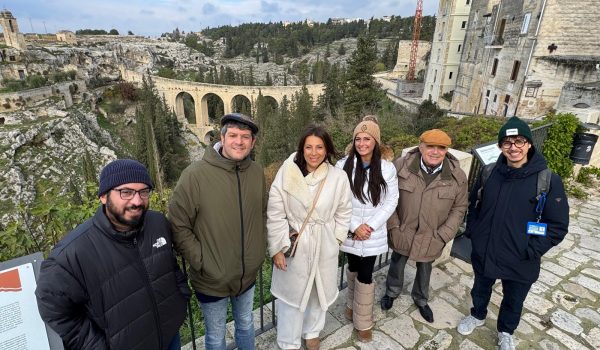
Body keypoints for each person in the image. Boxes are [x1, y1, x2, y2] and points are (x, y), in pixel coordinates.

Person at [35, 159, 190, 350]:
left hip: (169, 336)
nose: (137, 201)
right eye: (126, 192)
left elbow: (169, 265)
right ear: (103, 196)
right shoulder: (72, 253)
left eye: (143, 191)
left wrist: (180, 298)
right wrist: (97, 346)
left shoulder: (157, 223)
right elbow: (53, 307)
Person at [457, 117, 569, 350]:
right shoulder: (489, 172)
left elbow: (557, 225)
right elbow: (474, 205)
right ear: (500, 147)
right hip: (486, 249)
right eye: (507, 142)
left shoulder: (547, 180)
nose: (513, 147)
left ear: (529, 144)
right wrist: (474, 233)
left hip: (521, 257)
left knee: (514, 299)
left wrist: (531, 249)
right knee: (480, 288)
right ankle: (477, 315)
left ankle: (506, 332)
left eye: (519, 141)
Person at [168, 113, 266, 350]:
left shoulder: (256, 173)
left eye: (245, 137)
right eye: (233, 135)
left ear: (252, 143)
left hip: (247, 275)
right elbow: (178, 224)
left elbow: (262, 213)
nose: (239, 142)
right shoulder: (195, 175)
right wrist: (202, 261)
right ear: (222, 138)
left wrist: (258, 250)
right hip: (211, 278)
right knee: (215, 335)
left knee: (245, 324)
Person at [268, 125, 352, 350]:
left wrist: (336, 240)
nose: (314, 153)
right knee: (291, 300)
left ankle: (312, 331)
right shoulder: (287, 172)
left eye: (319, 147)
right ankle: (288, 342)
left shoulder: (338, 177)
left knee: (318, 293)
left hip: (324, 243)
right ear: (301, 149)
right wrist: (277, 247)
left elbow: (344, 211)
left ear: (327, 150)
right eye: (309, 147)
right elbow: (275, 212)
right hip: (295, 244)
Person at [381, 129, 468, 323]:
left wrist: (444, 234)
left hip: (433, 234)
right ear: (420, 146)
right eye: (430, 146)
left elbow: (460, 207)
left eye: (441, 148)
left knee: (425, 266)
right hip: (404, 230)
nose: (435, 152)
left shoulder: (457, 176)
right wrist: (394, 226)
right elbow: (387, 197)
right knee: (398, 261)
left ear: (447, 150)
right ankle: (392, 292)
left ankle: (421, 299)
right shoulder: (401, 166)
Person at [335, 116, 398, 342]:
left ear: (376, 142)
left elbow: (391, 201)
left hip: (372, 232)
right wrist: (355, 226)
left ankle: (363, 320)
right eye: (358, 139)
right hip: (350, 228)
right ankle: (352, 305)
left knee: (365, 273)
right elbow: (338, 200)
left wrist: (368, 226)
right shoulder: (342, 166)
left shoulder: (387, 168)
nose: (362, 144)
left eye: (367, 139)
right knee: (351, 267)